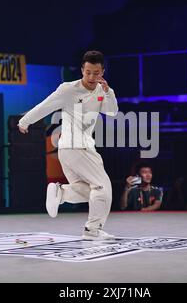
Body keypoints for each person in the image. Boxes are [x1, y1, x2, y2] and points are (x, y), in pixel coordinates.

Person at [18, 50, 118, 241]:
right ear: (82, 70)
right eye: (87, 72)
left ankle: (60, 192)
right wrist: (25, 121)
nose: (91, 77)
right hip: (74, 147)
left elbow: (112, 111)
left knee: (89, 191)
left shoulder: (101, 91)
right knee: (103, 187)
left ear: (102, 72)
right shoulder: (68, 89)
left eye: (96, 73)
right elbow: (45, 105)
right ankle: (92, 230)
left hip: (77, 149)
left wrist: (108, 93)